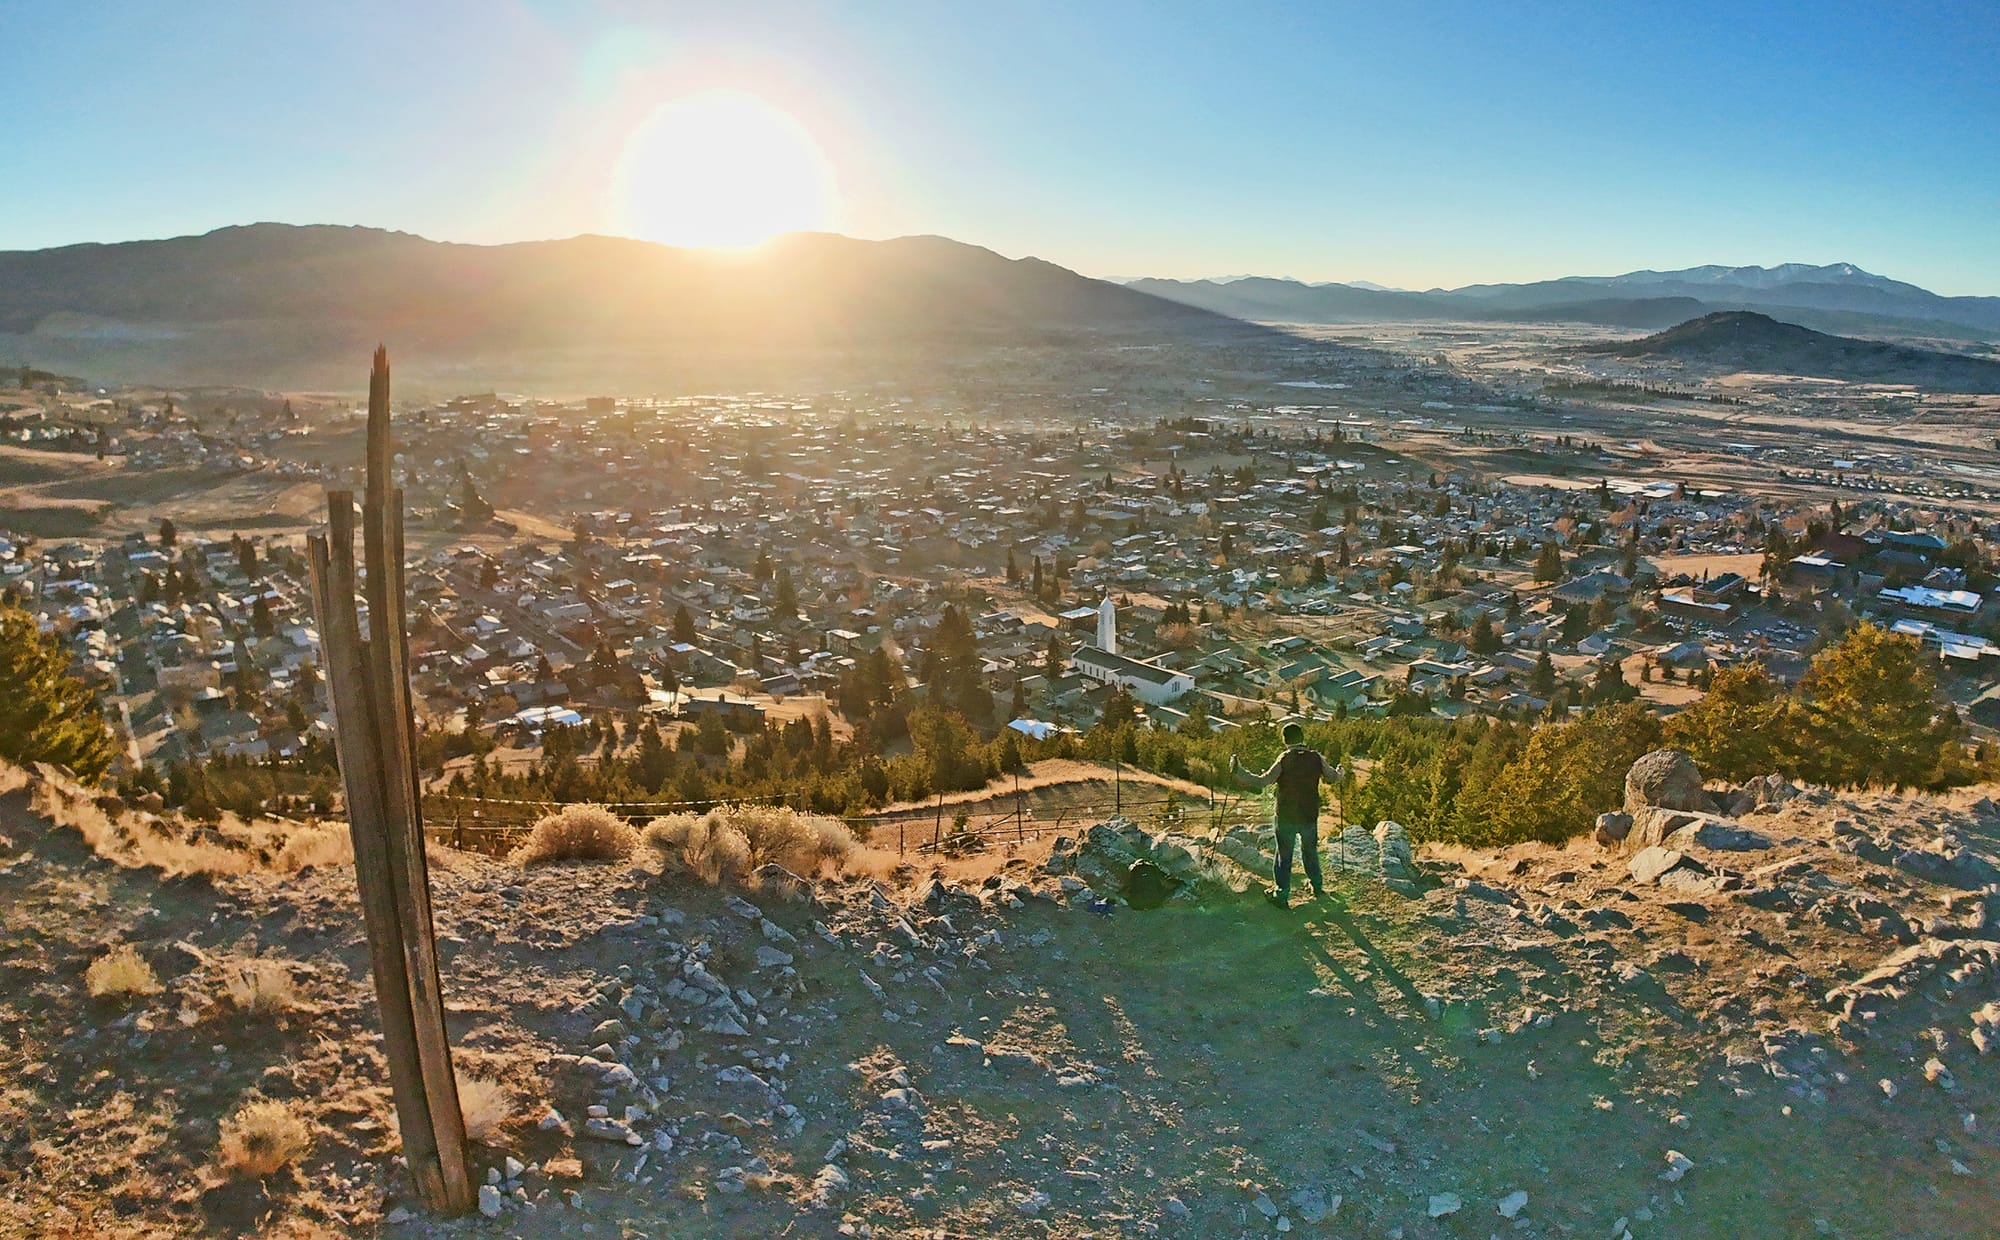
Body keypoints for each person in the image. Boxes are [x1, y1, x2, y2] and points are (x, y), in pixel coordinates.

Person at [1230, 722, 1342, 908]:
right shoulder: (1316, 758)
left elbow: (1261, 782)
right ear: (1302, 737)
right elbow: (1333, 777)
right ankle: (1317, 887)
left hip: (1286, 816)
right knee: (1310, 852)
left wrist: (1238, 771)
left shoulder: (1284, 759)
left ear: (1285, 740)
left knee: (1284, 854)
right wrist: (1340, 772)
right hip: (1309, 814)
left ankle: (1281, 894)